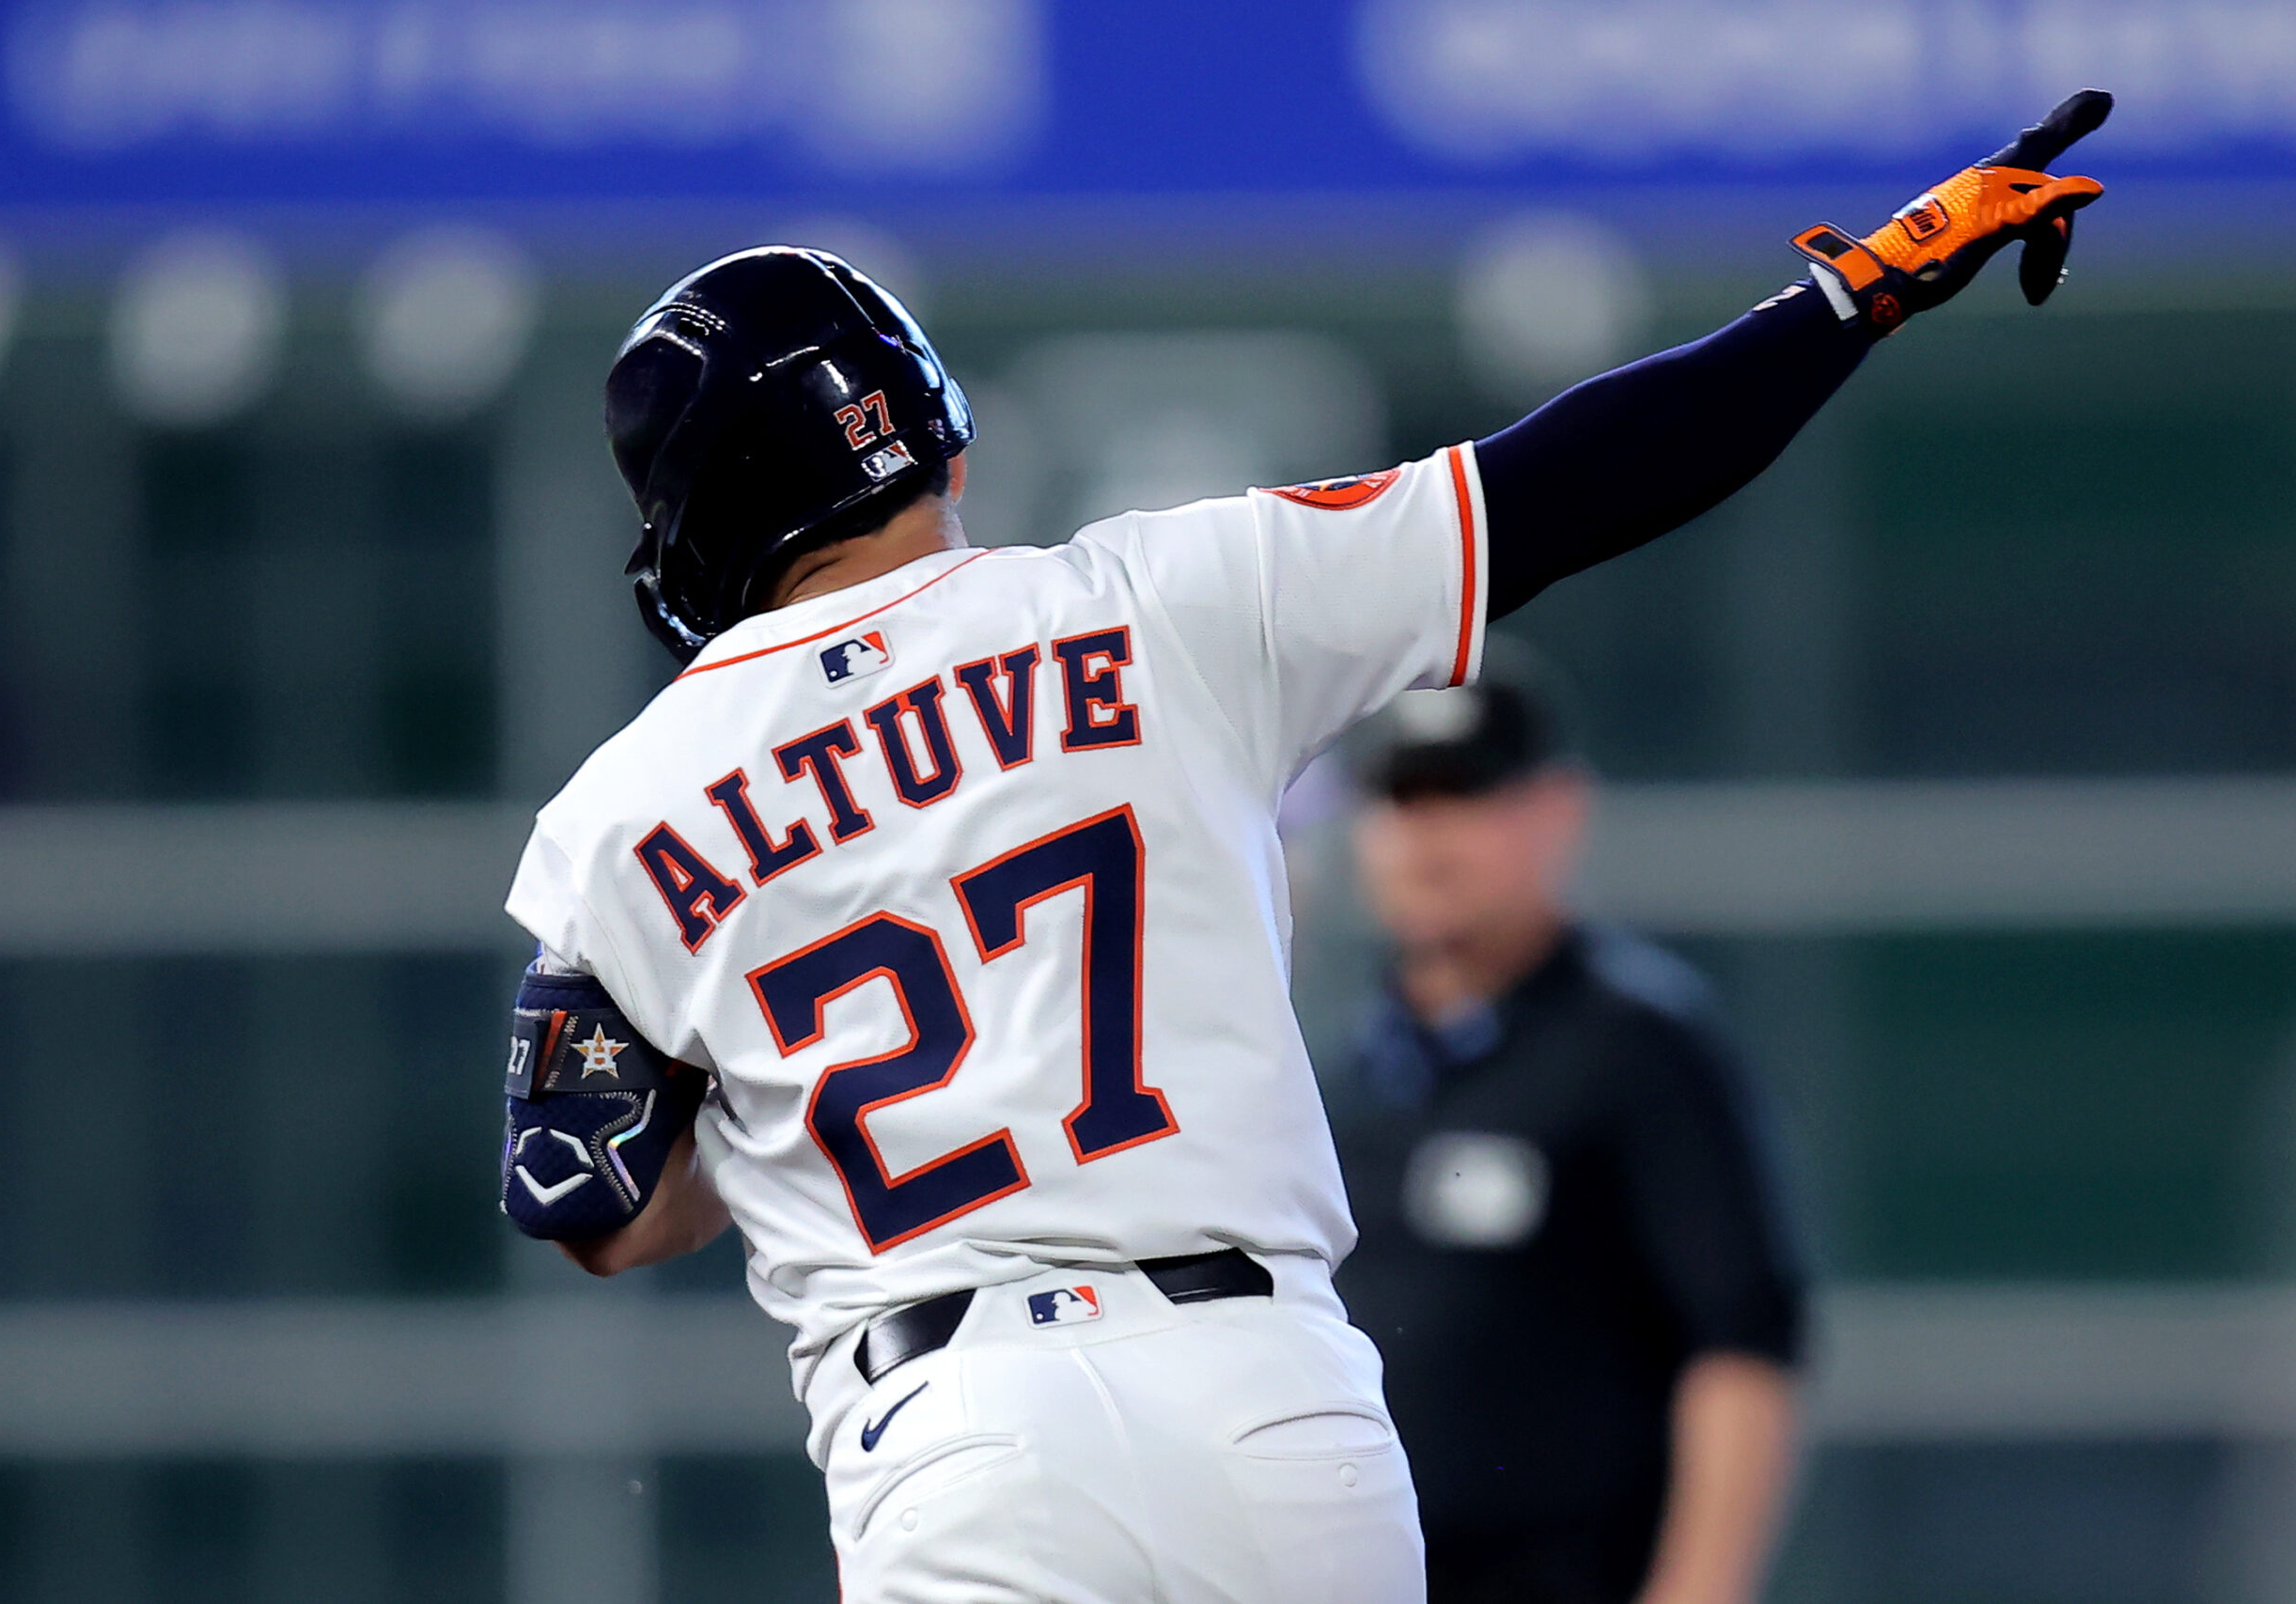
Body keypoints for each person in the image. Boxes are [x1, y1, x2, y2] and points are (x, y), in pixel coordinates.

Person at [490, 93, 2109, 1602]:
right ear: (927, 429)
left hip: (954, 1424)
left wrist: (786, 1090)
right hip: (1270, 1407)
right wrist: (1859, 296)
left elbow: (591, 1204)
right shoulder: (1162, 598)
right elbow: (1571, 482)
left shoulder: (625, 812)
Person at [1330, 664, 1804, 1604]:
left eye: (1463, 794)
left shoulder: (1637, 1052)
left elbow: (1742, 1343)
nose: (1424, 835)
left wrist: (1699, 1590)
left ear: (1558, 809)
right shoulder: (1334, 1080)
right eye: (1400, 798)